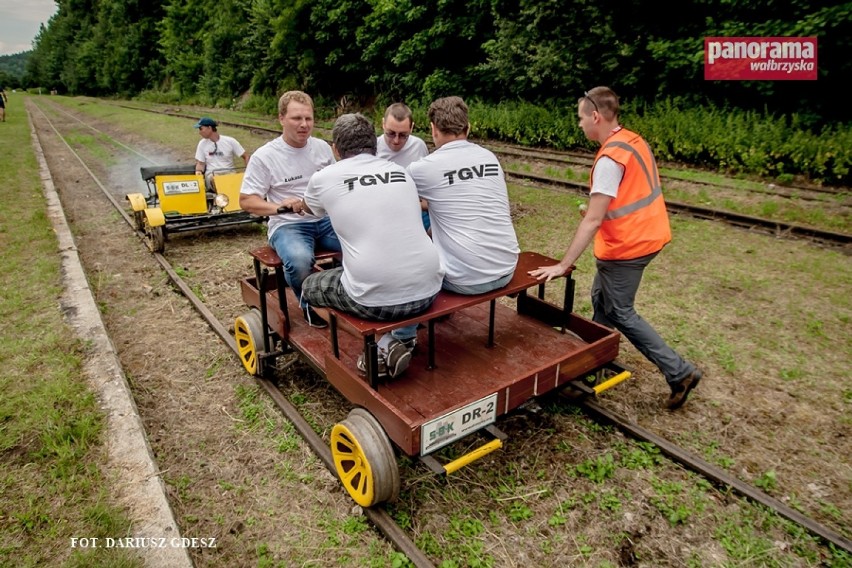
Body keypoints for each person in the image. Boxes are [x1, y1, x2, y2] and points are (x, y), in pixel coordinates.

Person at [528, 86, 703, 410]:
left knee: (619, 310)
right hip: (647, 234)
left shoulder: (609, 158)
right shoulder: (632, 141)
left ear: (595, 116)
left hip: (628, 245)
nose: (579, 124)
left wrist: (563, 264)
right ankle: (592, 364)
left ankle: (679, 372)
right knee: (602, 301)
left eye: (581, 118)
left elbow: (593, 221)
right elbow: (627, 194)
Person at [288, 113, 444, 378]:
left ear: (335, 149)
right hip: (429, 289)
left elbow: (312, 211)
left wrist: (299, 203)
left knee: (310, 287)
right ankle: (399, 340)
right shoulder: (400, 173)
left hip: (376, 303)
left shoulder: (325, 177)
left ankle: (380, 345)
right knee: (389, 272)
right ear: (375, 145)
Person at [392, 96, 520, 349]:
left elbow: (393, 202)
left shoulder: (423, 168)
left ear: (433, 129)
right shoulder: (489, 157)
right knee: (431, 231)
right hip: (506, 268)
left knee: (405, 257)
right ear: (468, 128)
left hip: (464, 281)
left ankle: (400, 338)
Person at [239, 91, 341, 328]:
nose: (304, 125)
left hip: (324, 219)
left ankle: (346, 296)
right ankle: (310, 306)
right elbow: (246, 200)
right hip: (288, 225)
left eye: (309, 118)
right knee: (298, 260)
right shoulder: (265, 156)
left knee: (361, 243)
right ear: (281, 118)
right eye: (297, 118)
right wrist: (279, 207)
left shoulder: (323, 149)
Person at [376, 102, 431, 231]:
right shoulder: (373, 148)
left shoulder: (419, 146)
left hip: (414, 211)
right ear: (383, 124)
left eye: (403, 135)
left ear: (411, 128)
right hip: (382, 212)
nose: (396, 141)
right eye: (390, 133)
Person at [193, 117, 249, 189]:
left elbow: (246, 156)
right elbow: (200, 163)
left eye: (201, 129)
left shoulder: (230, 141)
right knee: (217, 181)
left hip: (230, 173)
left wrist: (248, 172)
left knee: (236, 183)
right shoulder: (202, 144)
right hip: (212, 174)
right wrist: (198, 172)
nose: (199, 132)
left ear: (209, 128)